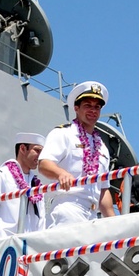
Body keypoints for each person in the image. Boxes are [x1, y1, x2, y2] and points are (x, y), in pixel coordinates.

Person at [38, 83, 114, 227]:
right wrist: (60, 173)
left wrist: (113, 221)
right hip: (69, 207)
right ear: (76, 108)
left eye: (97, 107)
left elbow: (103, 189)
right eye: (87, 105)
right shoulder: (63, 134)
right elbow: (44, 164)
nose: (93, 110)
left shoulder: (102, 148)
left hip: (92, 215)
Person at [0, 134, 46, 242]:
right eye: (37, 150)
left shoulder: (37, 187)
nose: (40, 156)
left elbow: (41, 224)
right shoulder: (1, 176)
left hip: (29, 251)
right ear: (22, 148)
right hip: (3, 248)